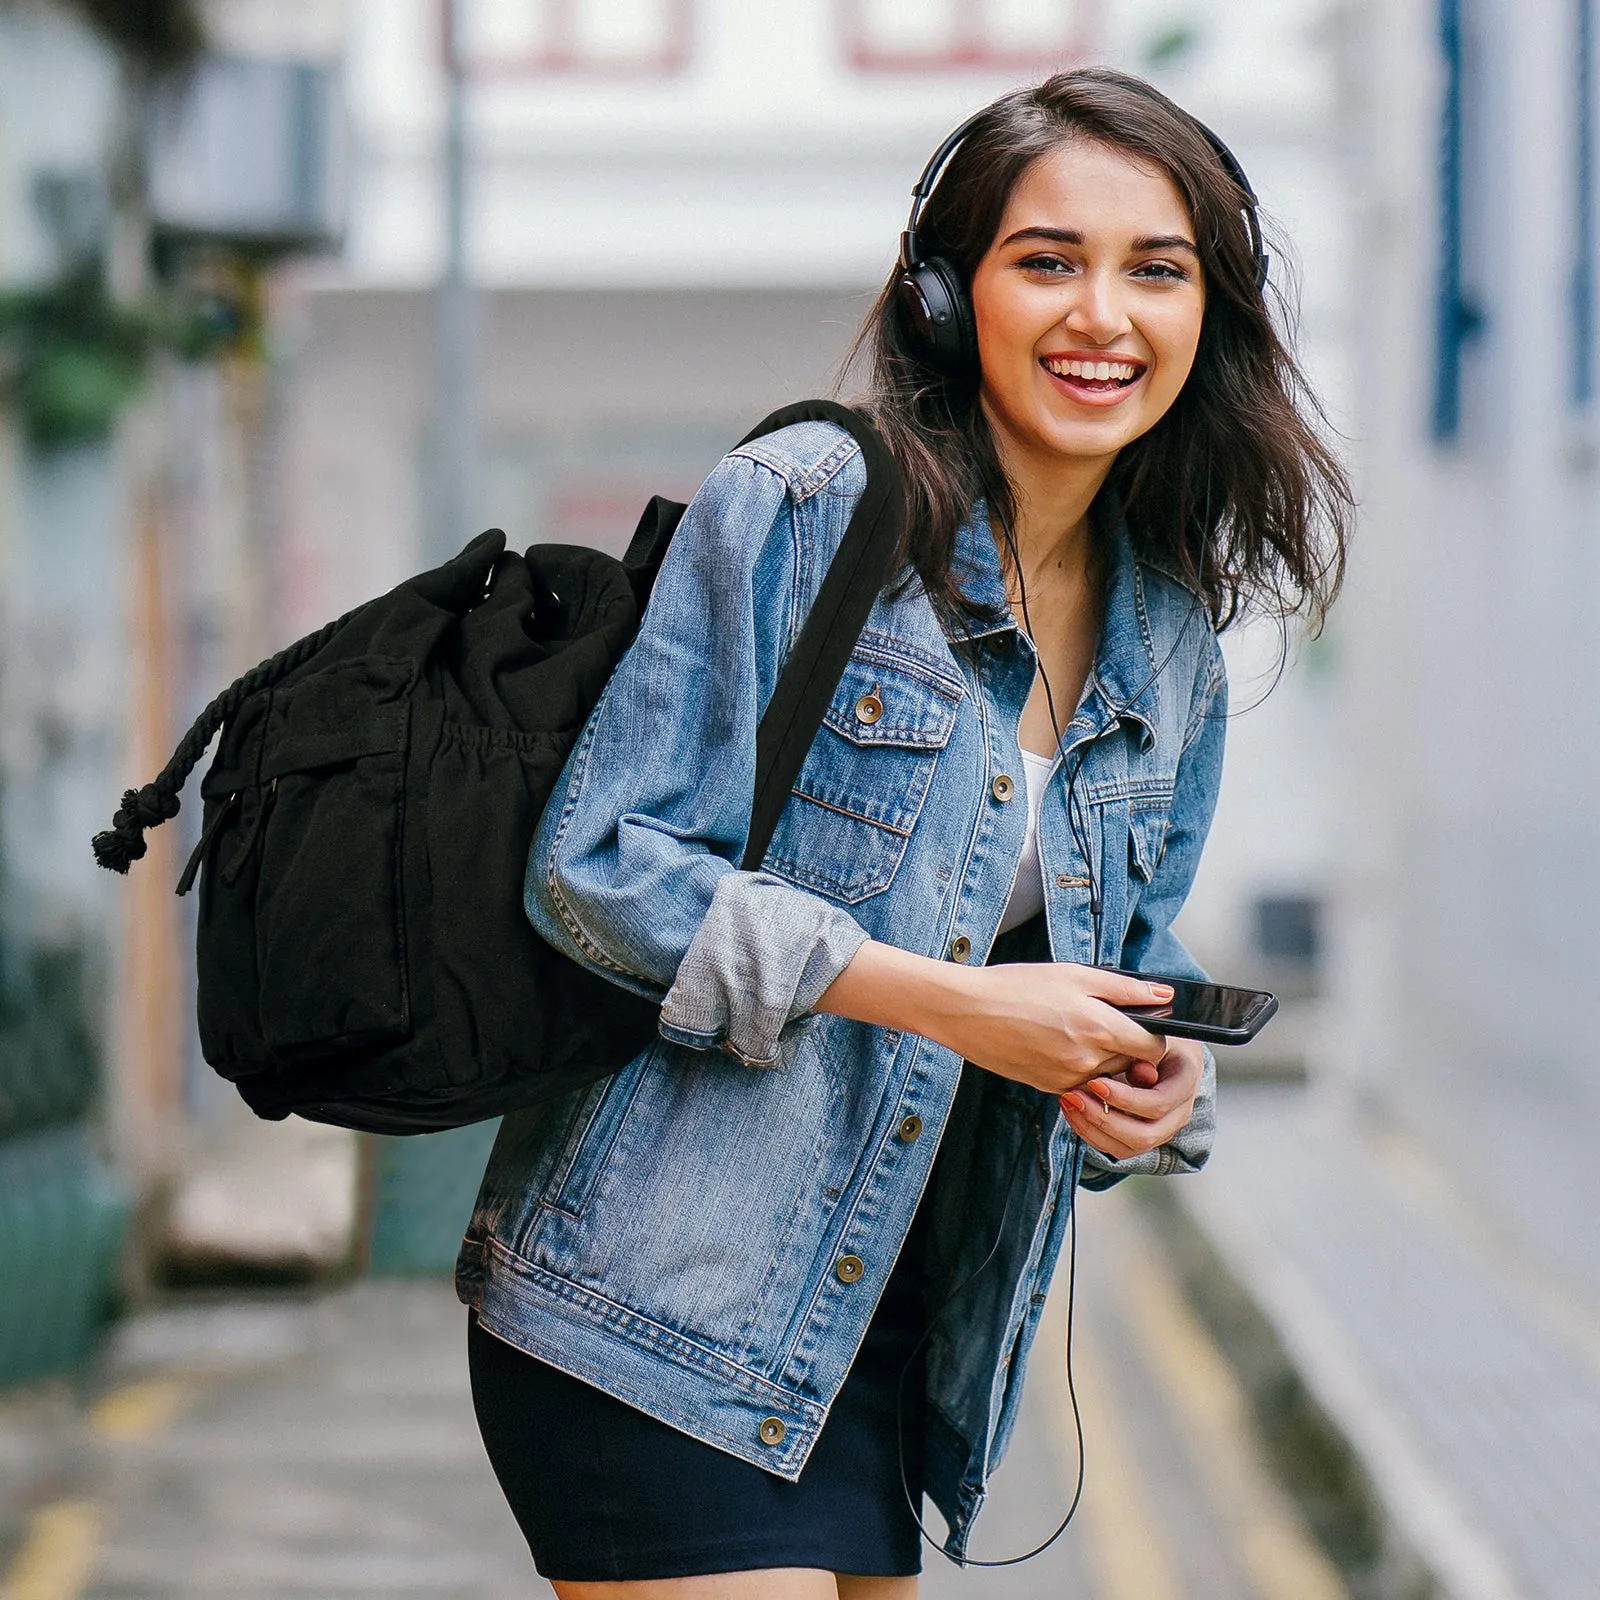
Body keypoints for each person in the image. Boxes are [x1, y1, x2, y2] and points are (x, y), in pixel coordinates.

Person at [456, 67, 1351, 1600]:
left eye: (1158, 270)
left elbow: (1121, 951)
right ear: (946, 295)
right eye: (1047, 260)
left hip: (890, 1334)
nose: (1104, 315)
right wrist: (947, 1002)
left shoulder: (1169, 641)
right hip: (655, 1302)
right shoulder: (813, 508)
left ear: (1214, 317)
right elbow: (600, 869)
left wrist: (1163, 1080)